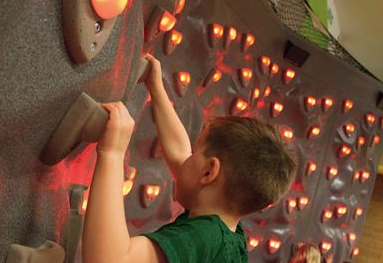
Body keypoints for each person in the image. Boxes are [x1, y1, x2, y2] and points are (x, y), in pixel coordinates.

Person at [82, 54, 296, 263]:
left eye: (196, 150)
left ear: (208, 172)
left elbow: (109, 259)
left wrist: (112, 153)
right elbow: (179, 154)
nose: (188, 156)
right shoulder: (230, 235)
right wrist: (156, 88)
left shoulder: (205, 237)